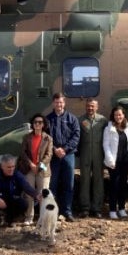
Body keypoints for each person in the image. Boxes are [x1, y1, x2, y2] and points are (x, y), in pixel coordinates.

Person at [0, 154, 41, 228]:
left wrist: (36, 195)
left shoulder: (17, 174)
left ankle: (9, 220)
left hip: (11, 199)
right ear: (2, 167)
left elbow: (26, 186)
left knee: (23, 204)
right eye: (9, 167)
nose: (11, 169)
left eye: (13, 166)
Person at [47, 92, 80, 221]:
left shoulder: (72, 119)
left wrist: (64, 149)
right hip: (53, 156)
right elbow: (46, 138)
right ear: (53, 103)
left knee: (68, 184)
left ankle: (67, 211)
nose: (59, 105)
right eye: (56, 102)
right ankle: (52, 212)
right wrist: (55, 149)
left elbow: (76, 136)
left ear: (64, 103)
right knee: (52, 185)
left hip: (68, 155)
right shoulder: (48, 119)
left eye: (61, 102)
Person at [17, 113, 53, 225]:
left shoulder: (48, 138)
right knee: (29, 194)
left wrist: (39, 166)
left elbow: (49, 155)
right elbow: (23, 153)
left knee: (44, 194)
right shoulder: (26, 137)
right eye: (35, 122)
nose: (37, 124)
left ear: (43, 124)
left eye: (40, 122)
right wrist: (31, 165)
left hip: (43, 171)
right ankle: (29, 217)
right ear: (32, 124)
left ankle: (43, 219)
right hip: (29, 169)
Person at [103, 106, 128, 220]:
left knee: (123, 185)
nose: (118, 117)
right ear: (113, 116)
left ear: (124, 115)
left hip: (125, 161)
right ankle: (112, 210)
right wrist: (110, 160)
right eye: (116, 115)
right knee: (114, 185)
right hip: (114, 162)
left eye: (120, 114)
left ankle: (121, 209)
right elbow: (106, 145)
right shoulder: (109, 128)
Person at [78, 98, 108, 218]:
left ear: (97, 107)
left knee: (98, 180)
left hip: (98, 154)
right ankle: (85, 208)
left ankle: (97, 208)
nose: (90, 108)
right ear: (86, 107)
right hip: (85, 153)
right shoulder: (80, 120)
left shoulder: (102, 120)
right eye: (88, 106)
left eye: (92, 106)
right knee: (84, 180)